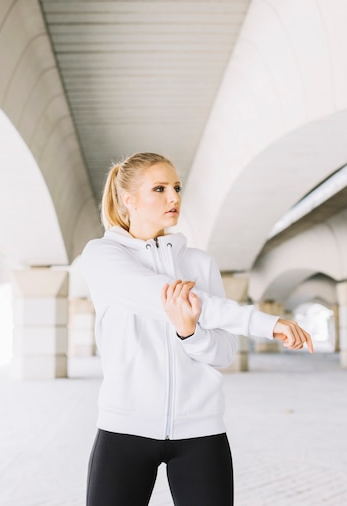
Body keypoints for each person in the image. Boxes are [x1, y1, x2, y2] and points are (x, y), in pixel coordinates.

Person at [82, 152, 313, 506]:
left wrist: (191, 333)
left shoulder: (199, 263)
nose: (173, 197)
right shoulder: (103, 256)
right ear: (128, 199)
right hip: (124, 428)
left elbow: (224, 352)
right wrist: (268, 323)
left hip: (201, 432)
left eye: (176, 187)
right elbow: (174, 299)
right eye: (159, 188)